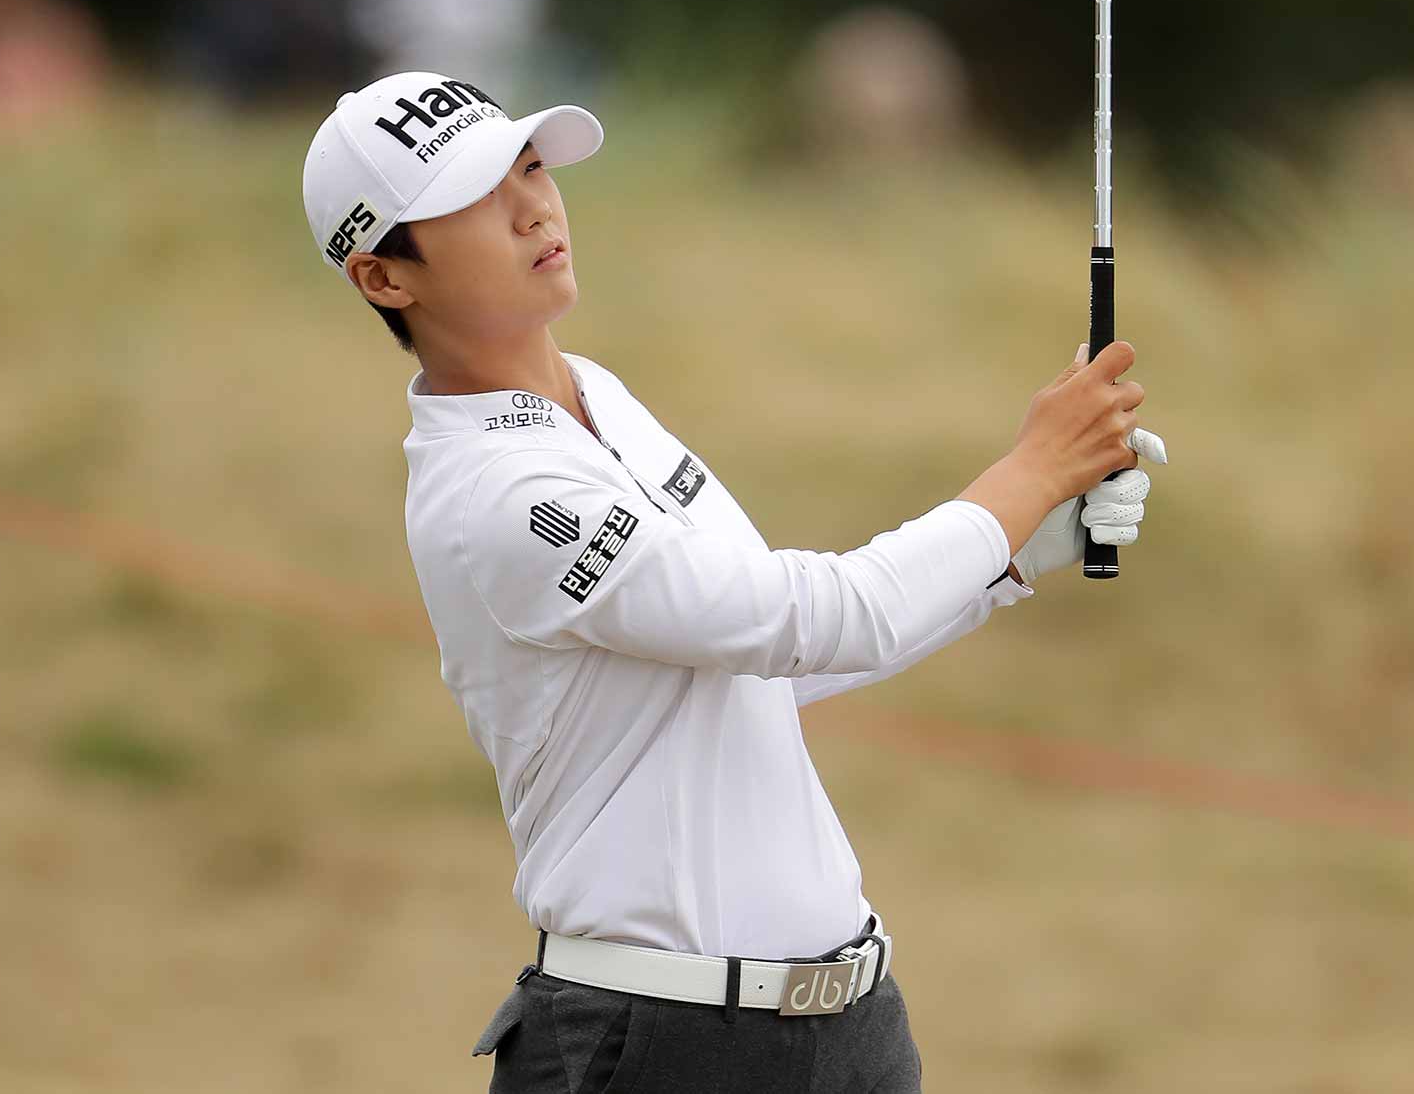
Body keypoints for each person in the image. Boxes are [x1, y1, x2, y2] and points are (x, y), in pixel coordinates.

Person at [299, 70, 1167, 1094]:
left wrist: (1011, 560)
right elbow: (800, 617)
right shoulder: (493, 491)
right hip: (660, 1043)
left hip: (848, 1031)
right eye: (475, 200)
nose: (532, 205)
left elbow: (760, 667)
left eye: (529, 168)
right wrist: (1028, 477)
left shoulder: (599, 397)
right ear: (384, 278)